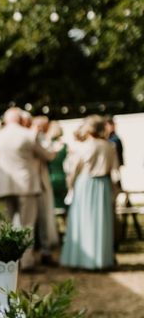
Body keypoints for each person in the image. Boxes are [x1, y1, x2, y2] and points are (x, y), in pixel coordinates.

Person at [0, 107, 53, 270]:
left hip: (2, 187)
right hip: (27, 186)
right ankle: (27, 261)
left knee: (4, 226)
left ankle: (6, 260)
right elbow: (47, 155)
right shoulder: (28, 135)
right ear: (20, 119)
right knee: (27, 225)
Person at [60, 115, 119, 270]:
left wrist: (70, 186)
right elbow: (115, 172)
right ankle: (101, 260)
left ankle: (82, 259)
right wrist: (115, 191)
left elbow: (74, 169)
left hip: (85, 184)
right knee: (101, 222)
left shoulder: (84, 146)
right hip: (103, 185)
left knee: (82, 221)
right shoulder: (110, 146)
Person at [32, 116, 59, 265]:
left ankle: (43, 251)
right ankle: (43, 251)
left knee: (42, 218)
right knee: (40, 218)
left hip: (37, 182)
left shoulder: (37, 137)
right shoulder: (33, 137)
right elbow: (49, 155)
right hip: (37, 183)